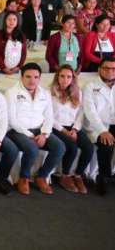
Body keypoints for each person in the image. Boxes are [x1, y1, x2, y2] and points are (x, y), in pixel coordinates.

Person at [6, 63, 65, 195]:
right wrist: (30, 136)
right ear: (21, 77)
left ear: (40, 78)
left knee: (60, 147)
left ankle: (42, 176)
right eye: (28, 77)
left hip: (40, 130)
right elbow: (11, 120)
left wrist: (44, 134)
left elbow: (49, 116)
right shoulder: (12, 93)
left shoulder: (45, 93)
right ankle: (24, 178)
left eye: (36, 77)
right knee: (32, 148)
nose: (32, 80)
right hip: (18, 130)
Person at [50, 65, 92, 194]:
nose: (65, 80)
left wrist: (75, 129)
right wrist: (64, 131)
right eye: (62, 76)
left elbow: (80, 113)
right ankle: (65, 176)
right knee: (72, 147)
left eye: (69, 77)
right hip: (56, 127)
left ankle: (78, 175)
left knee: (88, 148)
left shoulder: (77, 92)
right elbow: (49, 116)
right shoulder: (50, 92)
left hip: (73, 127)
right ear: (57, 77)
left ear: (73, 79)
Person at [82, 57, 115, 195]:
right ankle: (103, 176)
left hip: (113, 123)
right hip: (97, 126)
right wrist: (102, 130)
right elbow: (90, 112)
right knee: (106, 144)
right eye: (106, 68)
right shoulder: (90, 86)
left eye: (113, 69)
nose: (110, 71)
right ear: (99, 69)